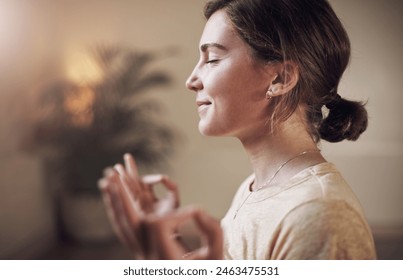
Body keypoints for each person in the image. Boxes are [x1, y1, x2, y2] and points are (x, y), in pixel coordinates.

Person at [98, 0, 376, 260]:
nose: (191, 80)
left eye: (212, 59)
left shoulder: (320, 215)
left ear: (280, 78)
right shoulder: (255, 188)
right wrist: (168, 241)